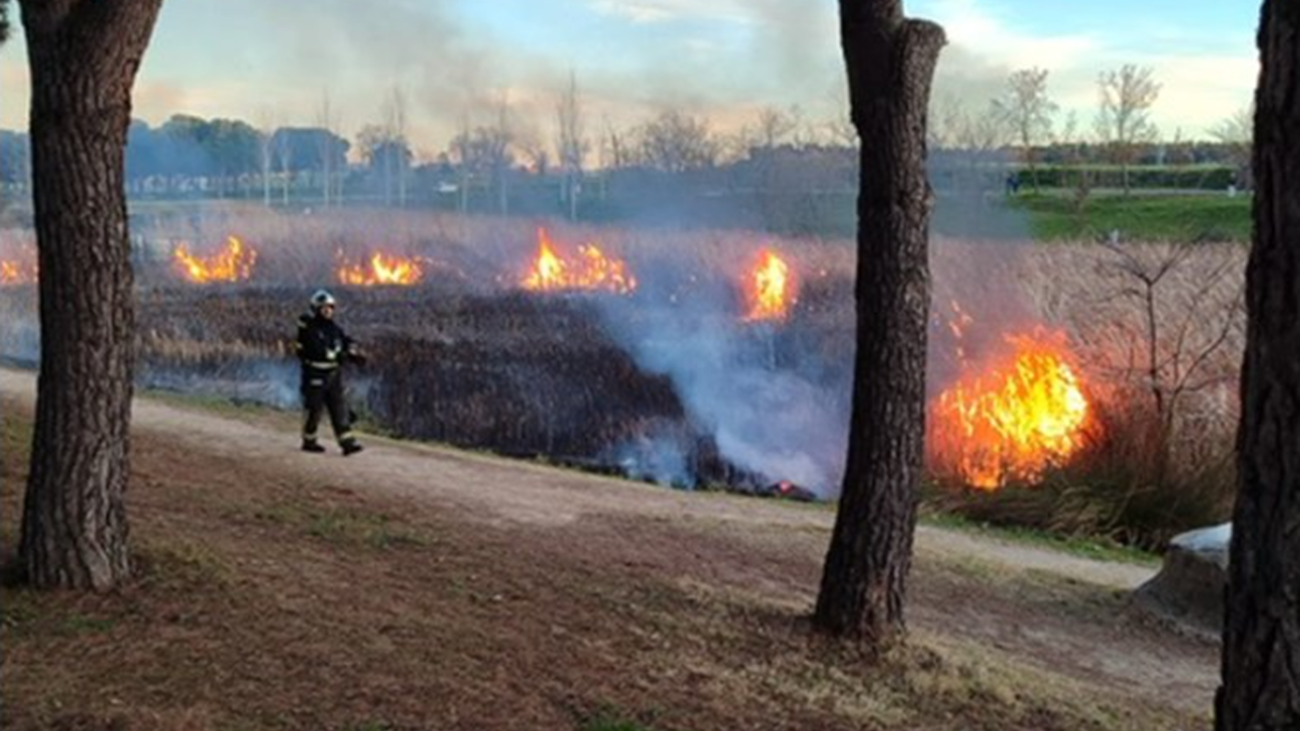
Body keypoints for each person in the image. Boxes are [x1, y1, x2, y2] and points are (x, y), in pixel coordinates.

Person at [295, 289, 366, 455]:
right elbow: (316, 350)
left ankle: (347, 443)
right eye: (324, 308)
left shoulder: (334, 328)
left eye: (330, 307)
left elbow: (344, 340)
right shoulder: (310, 328)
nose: (328, 311)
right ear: (316, 309)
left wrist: (353, 353)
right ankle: (309, 440)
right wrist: (339, 355)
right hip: (315, 375)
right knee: (314, 410)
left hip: (333, 376)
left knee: (338, 408)